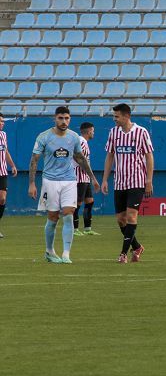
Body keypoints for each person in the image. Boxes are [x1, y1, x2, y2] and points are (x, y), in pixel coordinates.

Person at [27, 106, 99, 263]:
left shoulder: (73, 137)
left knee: (68, 214)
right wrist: (32, 183)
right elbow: (34, 160)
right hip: (50, 181)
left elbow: (80, 158)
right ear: (55, 119)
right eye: (60, 118)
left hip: (69, 181)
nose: (64, 121)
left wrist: (92, 178)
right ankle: (49, 251)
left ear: (70, 119)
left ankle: (66, 254)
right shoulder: (44, 137)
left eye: (66, 118)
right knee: (53, 217)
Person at [101, 103, 155, 263]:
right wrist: (105, 179)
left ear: (126, 116)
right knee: (120, 219)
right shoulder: (113, 133)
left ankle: (123, 253)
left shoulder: (141, 132)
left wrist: (149, 180)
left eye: (117, 116)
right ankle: (137, 246)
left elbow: (149, 156)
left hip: (137, 181)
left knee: (131, 216)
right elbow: (110, 155)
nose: (114, 119)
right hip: (119, 182)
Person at [72, 121, 100, 236]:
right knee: (77, 204)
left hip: (85, 178)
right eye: (93, 131)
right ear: (89, 131)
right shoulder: (81, 142)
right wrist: (93, 178)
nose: (94, 133)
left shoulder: (83, 142)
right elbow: (77, 158)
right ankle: (74, 230)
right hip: (78, 178)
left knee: (89, 202)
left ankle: (87, 228)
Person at [0, 116, 17, 238]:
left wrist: (12, 165)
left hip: (2, 172)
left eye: (2, 121)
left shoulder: (3, 135)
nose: (2, 123)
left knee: (2, 199)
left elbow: (5, 151)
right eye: (0, 121)